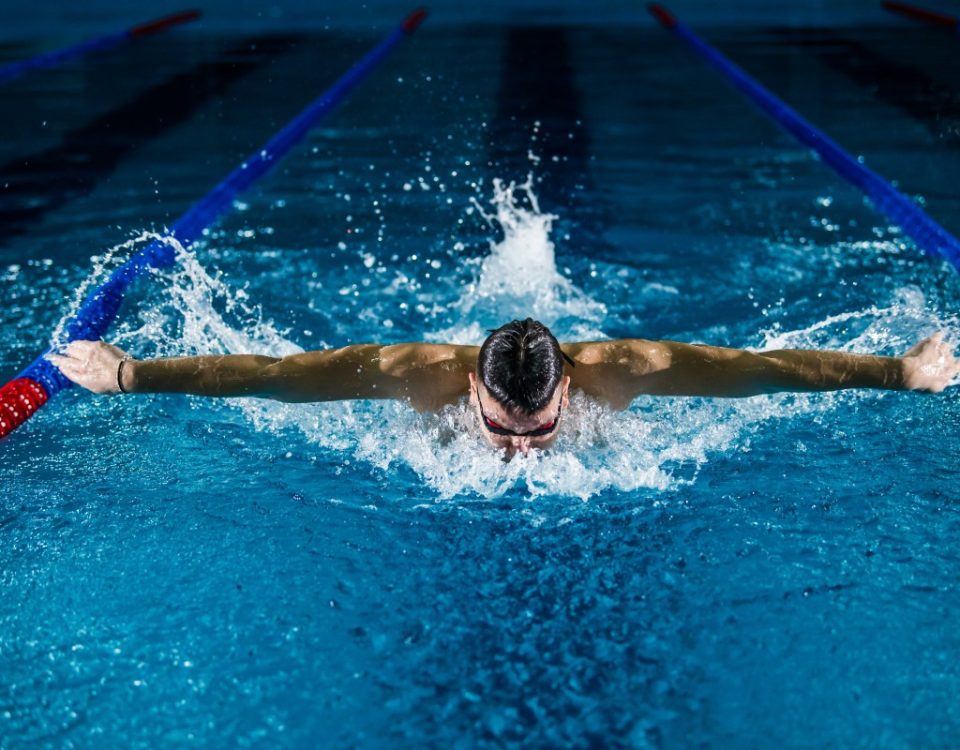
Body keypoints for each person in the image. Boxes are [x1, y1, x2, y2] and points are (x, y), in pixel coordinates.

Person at [46, 318, 959, 459]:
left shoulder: (626, 369)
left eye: (539, 427)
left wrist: (899, 373)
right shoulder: (415, 375)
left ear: (569, 382)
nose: (519, 449)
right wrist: (130, 375)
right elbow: (277, 379)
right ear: (472, 390)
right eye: (502, 425)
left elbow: (764, 370)